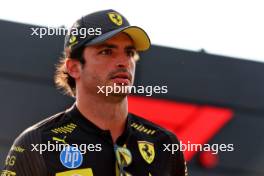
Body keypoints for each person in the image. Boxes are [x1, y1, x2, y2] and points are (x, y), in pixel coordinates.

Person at [2, 9, 188, 176]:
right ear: (74, 67)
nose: (124, 62)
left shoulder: (164, 143)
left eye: (129, 52)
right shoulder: (38, 142)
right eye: (107, 51)